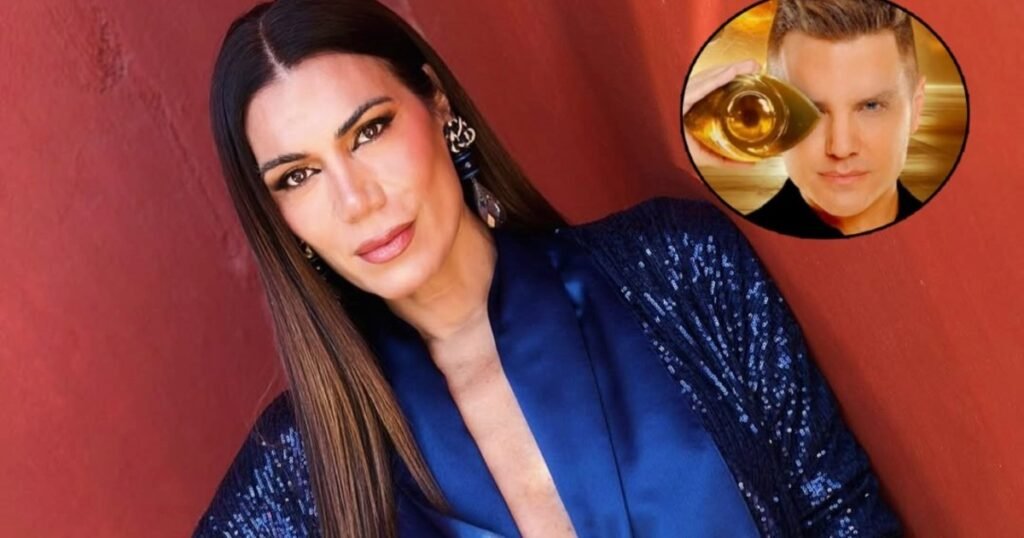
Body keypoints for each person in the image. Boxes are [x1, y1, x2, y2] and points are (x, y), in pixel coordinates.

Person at [195, 0, 903, 536]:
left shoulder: (675, 267)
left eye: (369, 131)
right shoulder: (303, 471)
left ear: (437, 104)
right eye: (298, 176)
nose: (356, 200)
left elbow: (843, 514)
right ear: (278, 219)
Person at [687, 0, 927, 239]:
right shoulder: (732, 243)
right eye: (813, 109)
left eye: (871, 106)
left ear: (916, 108)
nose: (841, 148)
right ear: (775, 110)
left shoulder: (948, 242)